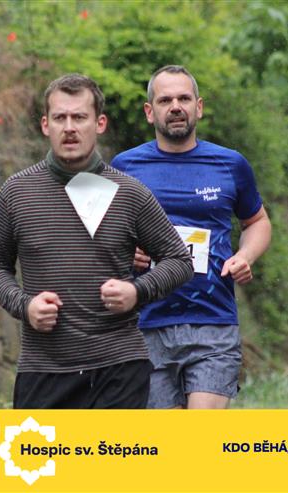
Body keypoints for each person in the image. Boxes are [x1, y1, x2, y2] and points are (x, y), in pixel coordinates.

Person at [0, 73, 193, 409]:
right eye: (60, 118)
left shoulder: (130, 194)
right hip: (43, 367)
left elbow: (179, 261)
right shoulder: (17, 192)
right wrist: (25, 306)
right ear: (45, 125)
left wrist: (137, 291)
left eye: (79, 117)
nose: (69, 128)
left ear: (99, 124)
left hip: (118, 366)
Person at [111, 65, 271, 409]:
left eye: (184, 98)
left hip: (212, 319)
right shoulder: (124, 168)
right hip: (145, 323)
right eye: (165, 100)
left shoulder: (230, 164)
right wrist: (124, 252)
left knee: (199, 438)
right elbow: (99, 236)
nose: (175, 107)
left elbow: (257, 221)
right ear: (149, 111)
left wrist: (245, 256)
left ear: (199, 107)